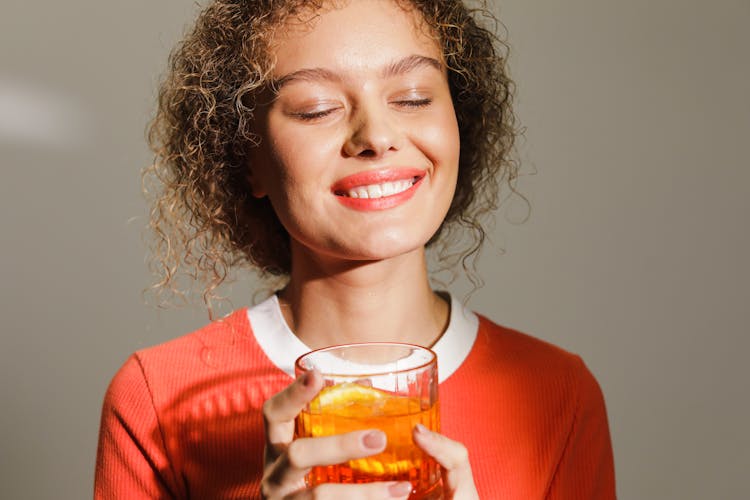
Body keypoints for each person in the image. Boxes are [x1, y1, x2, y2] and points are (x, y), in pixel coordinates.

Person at [95, 0, 616, 498]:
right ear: (246, 157)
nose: (376, 135)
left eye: (413, 97)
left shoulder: (558, 394)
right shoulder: (156, 399)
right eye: (315, 109)